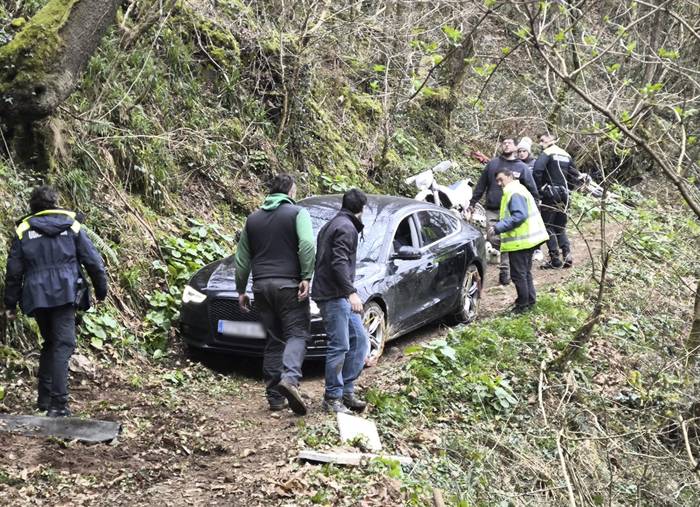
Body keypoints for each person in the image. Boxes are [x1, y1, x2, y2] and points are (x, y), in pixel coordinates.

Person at [3, 185, 108, 417]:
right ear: (55, 204)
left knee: (51, 342)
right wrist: (101, 290)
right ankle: (58, 406)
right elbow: (93, 261)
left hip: (37, 296)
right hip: (66, 292)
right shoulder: (72, 227)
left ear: (33, 207)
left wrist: (10, 304)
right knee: (64, 344)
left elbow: (13, 272)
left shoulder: (24, 230)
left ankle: (44, 398)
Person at [235, 174, 315, 415]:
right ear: (290, 192)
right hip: (288, 285)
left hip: (261, 288)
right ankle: (289, 380)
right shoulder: (297, 213)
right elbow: (308, 245)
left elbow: (242, 260)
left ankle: (274, 398)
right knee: (297, 334)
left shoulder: (252, 220)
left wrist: (241, 290)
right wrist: (306, 276)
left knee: (273, 340)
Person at [312, 189, 370, 414]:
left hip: (335, 293)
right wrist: (351, 292)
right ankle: (332, 397)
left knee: (359, 341)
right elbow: (338, 263)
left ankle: (346, 390)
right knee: (340, 345)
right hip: (333, 295)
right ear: (361, 209)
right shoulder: (346, 227)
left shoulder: (333, 224)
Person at [468, 137, 540, 286]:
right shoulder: (492, 164)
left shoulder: (522, 167)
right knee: (493, 237)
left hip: (511, 212)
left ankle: (505, 272)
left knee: (507, 239)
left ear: (515, 147)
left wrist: (535, 208)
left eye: (510, 143)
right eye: (504, 143)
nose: (506, 145)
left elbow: (532, 190)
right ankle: (510, 264)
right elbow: (481, 184)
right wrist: (473, 202)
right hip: (493, 209)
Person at [488, 169, 549, 313]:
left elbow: (519, 216)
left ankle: (522, 305)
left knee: (518, 274)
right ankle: (529, 301)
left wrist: (498, 228)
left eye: (501, 179)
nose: (499, 183)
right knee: (525, 272)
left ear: (510, 177)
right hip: (528, 239)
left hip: (520, 241)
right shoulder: (519, 189)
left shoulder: (513, 192)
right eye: (497, 181)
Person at [533, 133, 582, 269]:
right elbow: (575, 175)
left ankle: (555, 259)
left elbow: (537, 171)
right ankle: (567, 255)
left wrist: (538, 190)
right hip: (565, 195)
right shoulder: (566, 155)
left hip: (550, 195)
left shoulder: (547, 154)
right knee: (560, 227)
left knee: (547, 226)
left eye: (543, 140)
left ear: (552, 140)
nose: (541, 143)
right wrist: (569, 189)